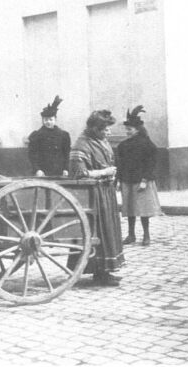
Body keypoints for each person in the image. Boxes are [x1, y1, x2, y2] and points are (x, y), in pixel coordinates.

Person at [68, 110, 124, 286]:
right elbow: (78, 174)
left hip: (105, 192)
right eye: (105, 129)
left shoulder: (100, 140)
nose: (109, 132)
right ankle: (99, 272)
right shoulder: (81, 145)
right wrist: (104, 172)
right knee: (98, 232)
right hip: (93, 196)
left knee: (107, 231)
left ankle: (104, 271)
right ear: (95, 129)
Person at [116, 105, 163, 246]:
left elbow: (151, 163)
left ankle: (146, 235)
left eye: (129, 129)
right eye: (126, 129)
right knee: (130, 209)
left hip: (141, 181)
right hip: (127, 180)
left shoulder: (147, 144)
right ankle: (131, 235)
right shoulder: (123, 146)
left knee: (143, 210)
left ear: (137, 129)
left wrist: (145, 179)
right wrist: (118, 180)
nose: (127, 132)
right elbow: (120, 164)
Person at [27, 95, 71, 177]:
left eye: (51, 119)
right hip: (42, 172)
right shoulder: (37, 135)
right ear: (43, 120)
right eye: (46, 120)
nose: (48, 122)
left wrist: (66, 169)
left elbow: (66, 154)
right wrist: (37, 170)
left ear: (55, 120)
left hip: (59, 172)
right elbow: (32, 155)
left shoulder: (63, 135)